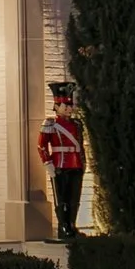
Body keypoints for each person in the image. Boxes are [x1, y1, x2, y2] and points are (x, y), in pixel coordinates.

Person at [39, 81, 86, 241]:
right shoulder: (50, 124)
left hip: (76, 164)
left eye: (70, 105)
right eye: (65, 105)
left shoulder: (77, 124)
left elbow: (80, 145)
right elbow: (42, 145)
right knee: (62, 198)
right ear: (56, 106)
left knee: (74, 198)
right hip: (60, 165)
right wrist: (48, 163)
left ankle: (72, 225)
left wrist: (83, 163)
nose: (68, 108)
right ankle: (63, 226)